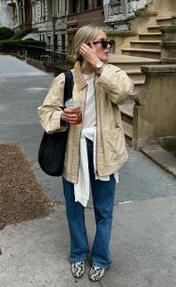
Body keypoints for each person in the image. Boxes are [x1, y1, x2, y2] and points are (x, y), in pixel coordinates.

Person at [38, 24, 133, 282]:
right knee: (74, 208)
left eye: (107, 42)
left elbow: (125, 92)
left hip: (104, 150)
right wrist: (62, 116)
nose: (108, 46)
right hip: (74, 150)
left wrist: (100, 66)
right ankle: (78, 254)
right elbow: (45, 112)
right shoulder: (66, 79)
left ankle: (101, 258)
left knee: (104, 210)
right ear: (85, 47)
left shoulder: (112, 74)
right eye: (102, 42)